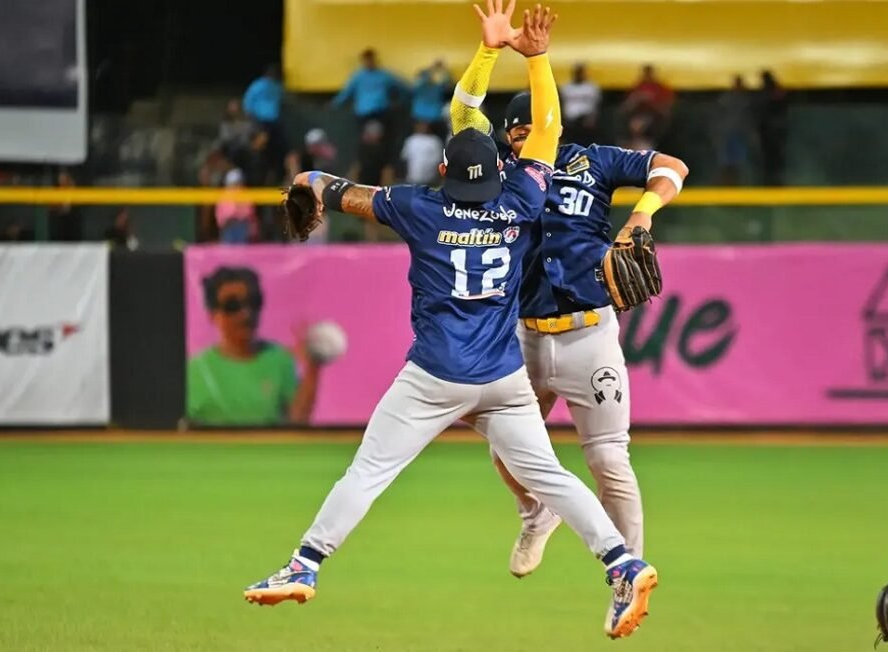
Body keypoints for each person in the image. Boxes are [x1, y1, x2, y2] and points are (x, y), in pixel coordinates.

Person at [244, 6, 658, 639]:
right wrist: (536, 57)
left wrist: (305, 181)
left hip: (436, 376)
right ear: (498, 170)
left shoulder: (419, 208)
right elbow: (545, 128)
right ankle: (623, 562)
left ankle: (303, 565)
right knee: (552, 475)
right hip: (503, 374)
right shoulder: (523, 198)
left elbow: (337, 189)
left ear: (443, 171)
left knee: (369, 471)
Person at [449, 0, 688, 594]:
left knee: (609, 461)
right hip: (523, 335)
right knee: (504, 446)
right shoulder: (498, 173)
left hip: (588, 334)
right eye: (515, 129)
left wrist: (640, 217)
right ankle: (537, 513)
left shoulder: (592, 161)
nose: (525, 134)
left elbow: (672, 166)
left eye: (534, 125)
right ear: (507, 137)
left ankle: (629, 572)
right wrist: (487, 51)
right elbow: (462, 113)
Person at [187, 267, 328, 426]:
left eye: (253, 302)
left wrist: (313, 367)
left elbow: (297, 422)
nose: (245, 313)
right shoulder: (195, 371)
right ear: (213, 315)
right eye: (232, 306)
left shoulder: (279, 360)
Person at [560, 63, 601, 145]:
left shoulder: (591, 87)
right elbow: (562, 103)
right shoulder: (566, 87)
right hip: (570, 120)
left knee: (585, 142)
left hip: (585, 119)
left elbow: (596, 104)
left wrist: (592, 118)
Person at [412, 59, 452, 136]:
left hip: (434, 116)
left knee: (433, 140)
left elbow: (448, 90)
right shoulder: (423, 78)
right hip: (422, 115)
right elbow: (414, 88)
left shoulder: (443, 80)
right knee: (417, 140)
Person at [400, 120, 444, 185]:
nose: (422, 127)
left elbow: (439, 161)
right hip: (411, 180)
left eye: (424, 125)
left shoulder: (435, 141)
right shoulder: (411, 140)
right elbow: (405, 159)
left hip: (430, 181)